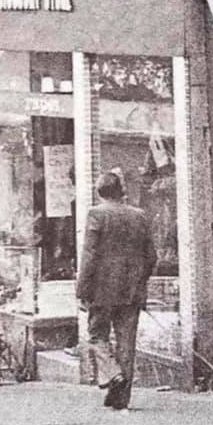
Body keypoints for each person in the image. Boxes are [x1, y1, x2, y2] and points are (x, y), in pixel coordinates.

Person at [76, 171, 157, 411]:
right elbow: (152, 256)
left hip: (101, 291)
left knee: (97, 336)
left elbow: (89, 256)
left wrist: (82, 290)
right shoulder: (139, 216)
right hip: (131, 292)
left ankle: (113, 373)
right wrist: (139, 281)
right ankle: (121, 398)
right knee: (126, 343)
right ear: (121, 191)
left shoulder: (97, 214)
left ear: (100, 193)